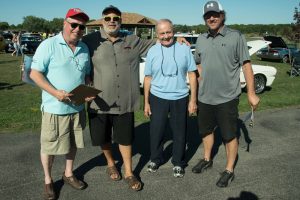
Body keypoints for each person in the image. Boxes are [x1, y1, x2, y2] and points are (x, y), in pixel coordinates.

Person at [82, 5, 189, 191]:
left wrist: (177, 39)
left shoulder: (133, 39)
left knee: (125, 139)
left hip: (124, 101)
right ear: (102, 20)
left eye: (116, 18)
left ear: (120, 21)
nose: (112, 21)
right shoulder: (90, 41)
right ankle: (110, 164)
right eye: (107, 18)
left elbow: (159, 41)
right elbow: (77, 61)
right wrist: (85, 80)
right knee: (103, 138)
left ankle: (130, 173)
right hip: (99, 101)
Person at [191, 1, 260, 188]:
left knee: (229, 135)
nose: (211, 18)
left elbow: (246, 65)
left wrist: (251, 93)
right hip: (205, 97)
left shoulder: (235, 36)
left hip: (227, 98)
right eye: (207, 15)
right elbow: (198, 66)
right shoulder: (201, 38)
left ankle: (229, 170)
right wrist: (193, 96)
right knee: (205, 131)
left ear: (222, 15)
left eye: (215, 14)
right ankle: (207, 158)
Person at [29, 8, 93, 199]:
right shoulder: (48, 45)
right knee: (49, 147)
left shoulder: (84, 48)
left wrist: (88, 88)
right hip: (54, 109)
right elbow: (35, 74)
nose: (77, 29)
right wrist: (56, 93)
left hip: (77, 106)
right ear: (64, 24)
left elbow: (86, 74)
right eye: (74, 24)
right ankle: (48, 180)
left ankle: (68, 174)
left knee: (72, 144)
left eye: (81, 26)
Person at [143, 19, 197, 178]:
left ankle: (178, 162)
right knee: (156, 131)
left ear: (173, 31)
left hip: (180, 97)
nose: (166, 36)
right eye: (162, 33)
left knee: (180, 132)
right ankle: (155, 158)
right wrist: (146, 102)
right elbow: (147, 78)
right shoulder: (152, 51)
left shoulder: (184, 49)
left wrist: (193, 100)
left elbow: (192, 75)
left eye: (168, 32)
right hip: (158, 97)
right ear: (157, 34)